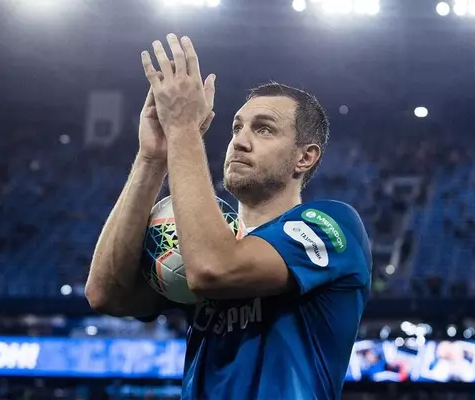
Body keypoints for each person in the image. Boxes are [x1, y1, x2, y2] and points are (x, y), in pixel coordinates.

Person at [85, 33, 371, 400]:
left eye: (264, 129)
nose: (240, 141)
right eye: (237, 127)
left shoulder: (331, 224)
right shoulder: (203, 240)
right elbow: (106, 294)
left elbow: (212, 269)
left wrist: (183, 129)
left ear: (305, 157)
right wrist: (152, 157)